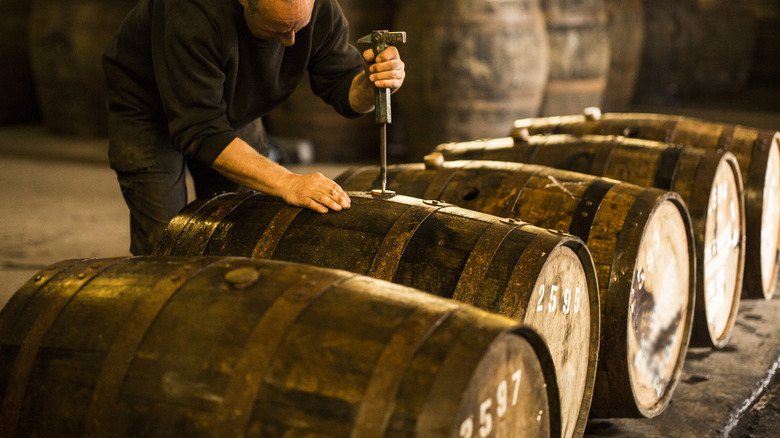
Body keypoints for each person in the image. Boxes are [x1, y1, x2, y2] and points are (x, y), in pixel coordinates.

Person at [102, 0, 405, 255]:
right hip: (148, 106)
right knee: (166, 241)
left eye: (299, 27)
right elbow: (199, 129)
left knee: (243, 227)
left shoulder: (316, 7)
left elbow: (341, 85)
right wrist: (287, 181)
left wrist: (371, 84)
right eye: (279, 29)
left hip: (232, 107)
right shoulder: (190, 11)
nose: (291, 42)